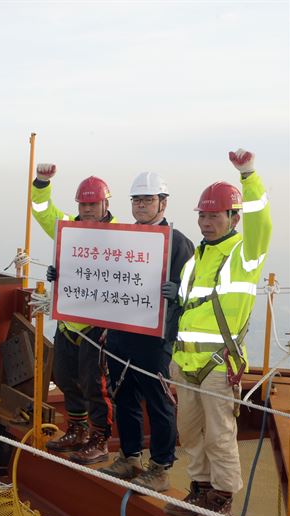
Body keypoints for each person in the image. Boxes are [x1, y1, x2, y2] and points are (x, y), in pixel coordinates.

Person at [162, 149, 271, 516]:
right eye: (203, 215)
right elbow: (188, 307)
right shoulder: (195, 258)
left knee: (220, 435)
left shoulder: (245, 253)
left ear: (233, 217)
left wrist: (248, 174)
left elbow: (262, 223)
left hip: (217, 363)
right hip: (185, 361)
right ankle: (200, 490)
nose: (207, 222)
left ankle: (221, 500)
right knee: (190, 432)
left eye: (214, 215)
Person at [99, 172, 194, 491]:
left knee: (158, 401)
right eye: (136, 200)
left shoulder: (179, 243)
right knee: (123, 395)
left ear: (163, 203)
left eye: (147, 199)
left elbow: (196, 293)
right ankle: (130, 457)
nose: (141, 205)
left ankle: (161, 466)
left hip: (156, 337)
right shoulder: (123, 238)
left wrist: (179, 292)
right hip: (122, 331)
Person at [32, 164, 117, 464]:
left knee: (96, 383)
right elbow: (42, 210)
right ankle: (78, 428)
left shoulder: (121, 234)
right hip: (68, 319)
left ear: (105, 204)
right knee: (66, 376)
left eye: (93, 204)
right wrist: (42, 182)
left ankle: (100, 438)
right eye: (83, 204)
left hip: (98, 324)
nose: (88, 209)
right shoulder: (67, 226)